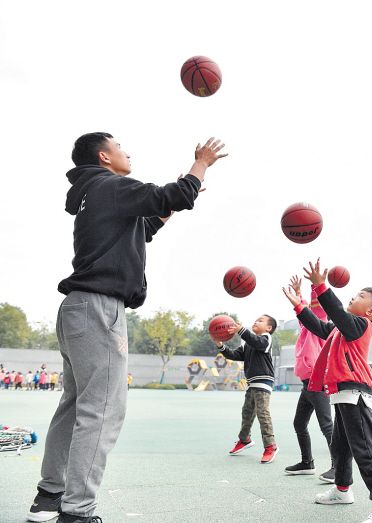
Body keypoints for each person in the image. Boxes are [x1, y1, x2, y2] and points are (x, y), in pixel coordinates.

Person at [27, 132, 226, 523]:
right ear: (104, 156)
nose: (127, 151)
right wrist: (200, 164)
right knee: (102, 411)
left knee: (74, 406)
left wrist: (178, 198)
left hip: (77, 308)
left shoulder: (94, 193)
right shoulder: (111, 185)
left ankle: (49, 498)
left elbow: (147, 225)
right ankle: (77, 511)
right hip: (99, 308)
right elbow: (176, 195)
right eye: (120, 146)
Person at [283, 258, 372, 523]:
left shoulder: (360, 326)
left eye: (360, 296)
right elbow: (321, 327)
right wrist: (299, 306)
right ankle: (342, 490)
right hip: (342, 393)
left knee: (364, 448)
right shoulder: (341, 330)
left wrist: (321, 287)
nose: (353, 296)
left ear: (369, 312)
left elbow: (337, 315)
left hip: (355, 393)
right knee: (341, 447)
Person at [284, 275, 336, 482]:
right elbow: (303, 311)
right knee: (299, 423)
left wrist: (315, 286)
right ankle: (307, 463)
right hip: (308, 384)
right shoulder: (305, 327)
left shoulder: (319, 323)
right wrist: (298, 294)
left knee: (327, 425)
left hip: (318, 380)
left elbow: (317, 309)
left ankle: (338, 467)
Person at [215, 315, 279, 463]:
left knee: (263, 414)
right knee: (247, 413)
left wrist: (241, 330)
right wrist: (220, 345)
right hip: (252, 384)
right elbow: (233, 355)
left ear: (269, 328)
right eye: (255, 319)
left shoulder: (266, 338)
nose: (256, 321)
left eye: (261, 320)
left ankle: (271, 446)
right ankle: (244, 440)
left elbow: (258, 343)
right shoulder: (248, 343)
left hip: (263, 382)